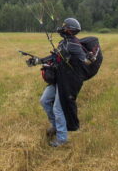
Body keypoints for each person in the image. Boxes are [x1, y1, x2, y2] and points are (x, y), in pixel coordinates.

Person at [28, 17, 92, 147]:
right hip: (60, 77)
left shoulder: (73, 44)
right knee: (44, 100)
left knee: (58, 108)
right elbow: (54, 57)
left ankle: (62, 139)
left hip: (68, 81)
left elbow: (85, 60)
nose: (61, 28)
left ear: (69, 30)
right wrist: (37, 61)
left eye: (64, 26)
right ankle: (57, 126)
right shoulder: (63, 43)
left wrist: (90, 58)